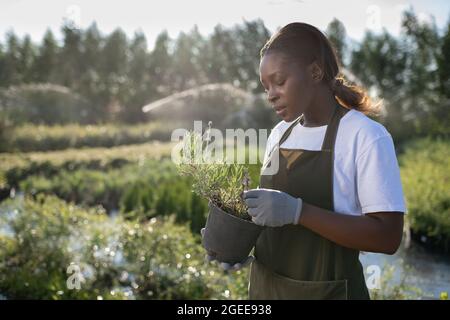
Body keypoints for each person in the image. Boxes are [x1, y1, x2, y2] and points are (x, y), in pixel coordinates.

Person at [202, 22, 406, 300]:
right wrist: (234, 244)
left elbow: (388, 237)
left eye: (280, 81)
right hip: (265, 291)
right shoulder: (278, 135)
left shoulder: (365, 136)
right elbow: (273, 218)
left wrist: (300, 212)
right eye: (265, 87)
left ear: (315, 72)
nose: (270, 94)